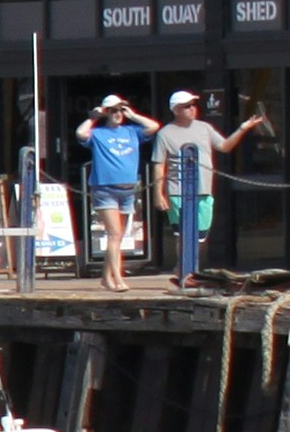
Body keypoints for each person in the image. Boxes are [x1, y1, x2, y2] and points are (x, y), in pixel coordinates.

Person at [150, 87, 261, 279]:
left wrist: (243, 128)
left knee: (201, 236)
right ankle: (186, 271)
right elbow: (159, 165)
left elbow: (225, 146)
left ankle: (190, 268)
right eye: (187, 106)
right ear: (176, 110)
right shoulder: (165, 133)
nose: (192, 109)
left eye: (193, 105)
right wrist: (158, 194)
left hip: (203, 189)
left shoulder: (205, 128)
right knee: (184, 235)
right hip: (178, 190)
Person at [77, 91, 152, 285]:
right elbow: (80, 133)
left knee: (118, 237)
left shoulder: (131, 130)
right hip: (105, 188)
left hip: (127, 189)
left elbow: (153, 127)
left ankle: (105, 277)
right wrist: (94, 116)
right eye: (113, 111)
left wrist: (133, 115)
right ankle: (118, 278)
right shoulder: (99, 133)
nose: (118, 114)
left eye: (120, 110)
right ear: (106, 113)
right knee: (114, 234)